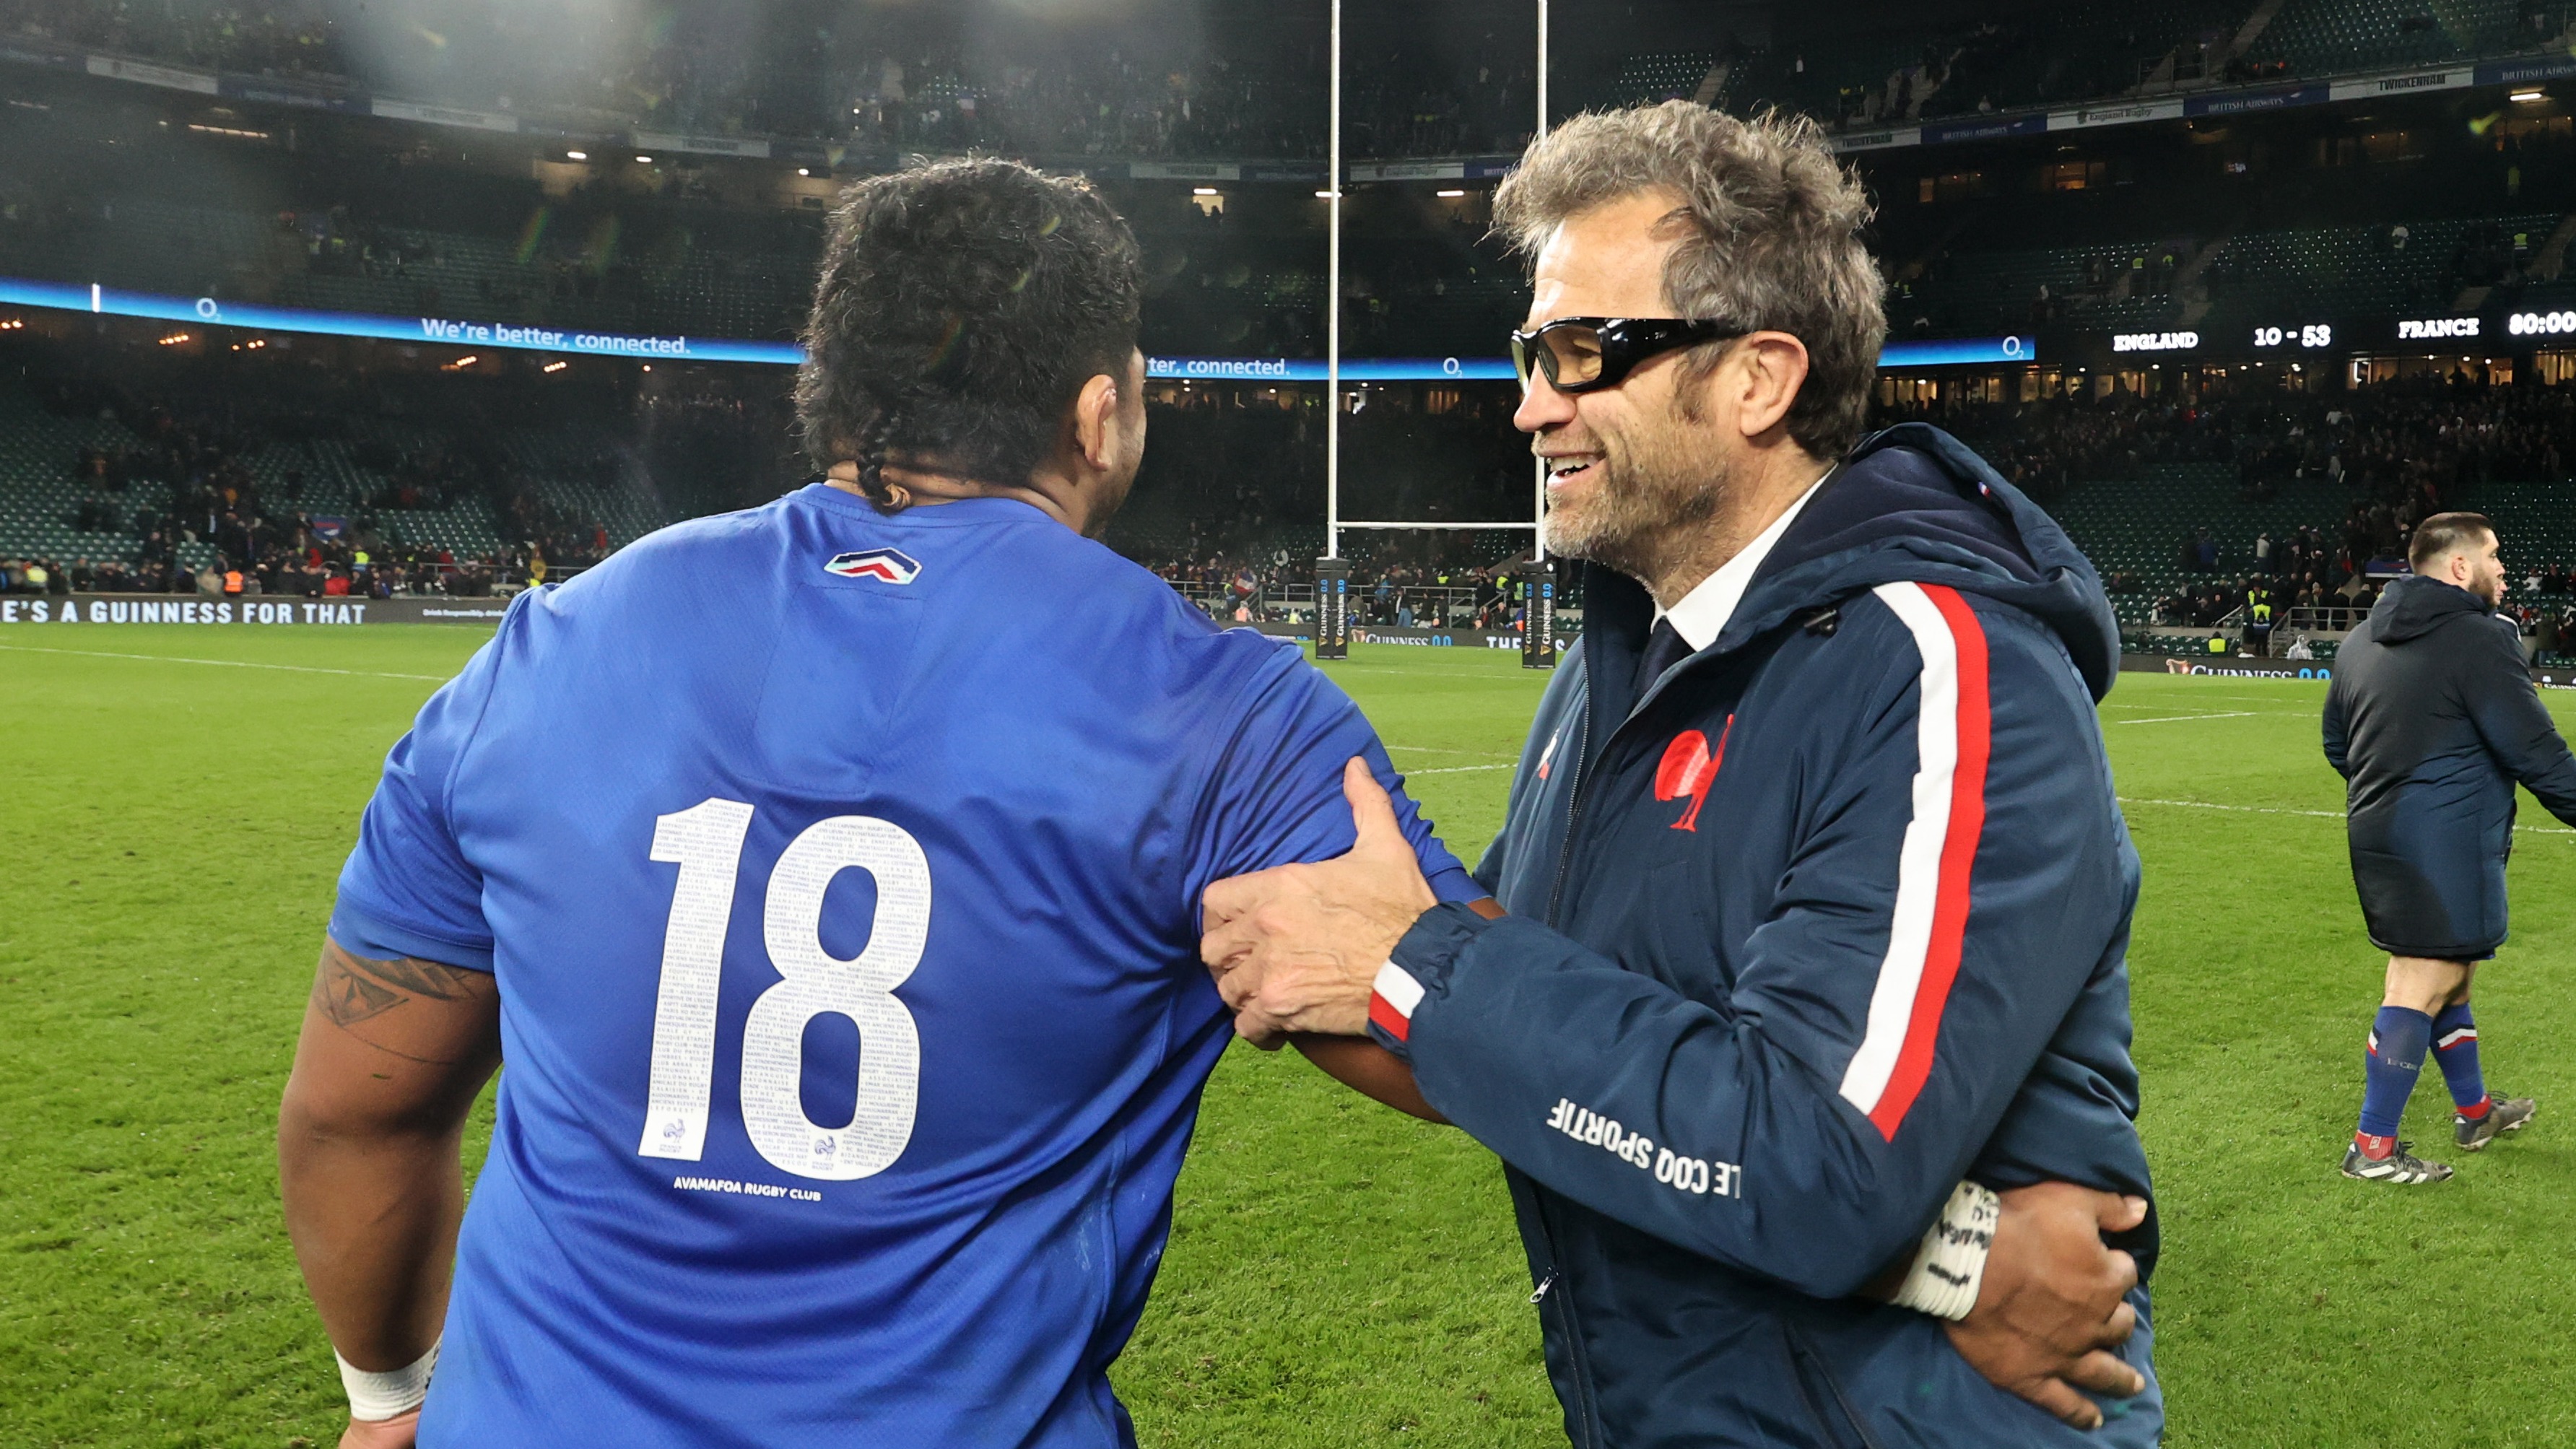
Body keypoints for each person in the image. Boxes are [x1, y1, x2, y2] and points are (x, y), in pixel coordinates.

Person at [275, 157, 1496, 1447]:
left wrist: (389, 1397)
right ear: (1100, 415)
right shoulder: (1220, 711)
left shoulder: (540, 653)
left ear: (838, 393)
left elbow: (359, 1108)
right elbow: (1469, 1051)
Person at [1198, 102, 2158, 1447]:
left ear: (1758, 379)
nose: (1531, 404)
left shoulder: (1937, 664)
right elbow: (1498, 1030)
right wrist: (1278, 923)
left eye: (1585, 351)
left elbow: (1815, 1166)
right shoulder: (1611, 666)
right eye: (1532, 352)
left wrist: (1419, 964)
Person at [2323, 512, 2565, 1183]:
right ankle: (2371, 1148)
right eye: (2494, 555)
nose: (2503, 568)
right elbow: (2537, 752)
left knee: (2452, 977)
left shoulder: (2360, 640)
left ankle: (2476, 1111)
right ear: (2459, 567)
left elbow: (2338, 748)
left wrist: (2403, 791)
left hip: (2383, 833)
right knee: (2418, 982)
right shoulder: (2480, 640)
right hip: (2444, 841)